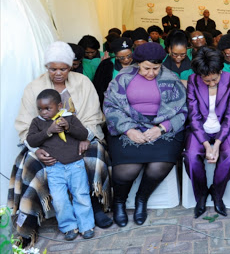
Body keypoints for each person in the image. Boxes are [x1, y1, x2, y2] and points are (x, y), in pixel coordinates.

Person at [10, 41, 112, 246]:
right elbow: (25, 124)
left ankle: (95, 206)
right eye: (53, 68)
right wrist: (37, 150)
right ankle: (32, 220)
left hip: (81, 137)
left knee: (95, 155)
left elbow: (93, 116)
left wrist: (85, 138)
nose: (58, 73)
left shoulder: (83, 82)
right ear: (46, 67)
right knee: (31, 165)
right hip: (45, 142)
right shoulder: (34, 88)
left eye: (63, 68)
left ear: (72, 65)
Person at [103, 42, 187, 227]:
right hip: (128, 125)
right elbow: (110, 107)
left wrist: (161, 128)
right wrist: (129, 130)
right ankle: (119, 203)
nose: (151, 73)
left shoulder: (171, 78)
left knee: (160, 164)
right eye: (146, 68)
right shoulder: (123, 78)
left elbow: (182, 110)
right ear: (137, 63)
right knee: (128, 169)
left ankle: (142, 199)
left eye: (156, 68)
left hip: (160, 127)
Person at [183, 47, 230, 218]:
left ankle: (217, 193)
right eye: (206, 80)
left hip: (225, 128)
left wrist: (216, 144)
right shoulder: (193, 80)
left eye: (214, 79)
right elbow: (193, 116)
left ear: (221, 70)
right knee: (190, 156)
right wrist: (206, 145)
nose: (210, 83)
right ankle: (201, 195)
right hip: (199, 129)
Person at [27, 89, 95, 241]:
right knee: (59, 199)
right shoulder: (37, 122)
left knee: (81, 195)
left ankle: (86, 225)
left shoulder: (69, 118)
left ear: (59, 105)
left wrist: (69, 128)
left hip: (75, 165)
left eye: (47, 108)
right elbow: (31, 141)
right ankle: (69, 226)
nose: (43, 112)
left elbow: (83, 134)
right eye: (40, 109)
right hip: (54, 168)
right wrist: (48, 131)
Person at [92, 37, 134, 106]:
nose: (126, 60)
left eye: (129, 56)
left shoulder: (139, 63)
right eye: (121, 57)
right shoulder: (106, 65)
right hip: (114, 104)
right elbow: (99, 88)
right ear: (115, 55)